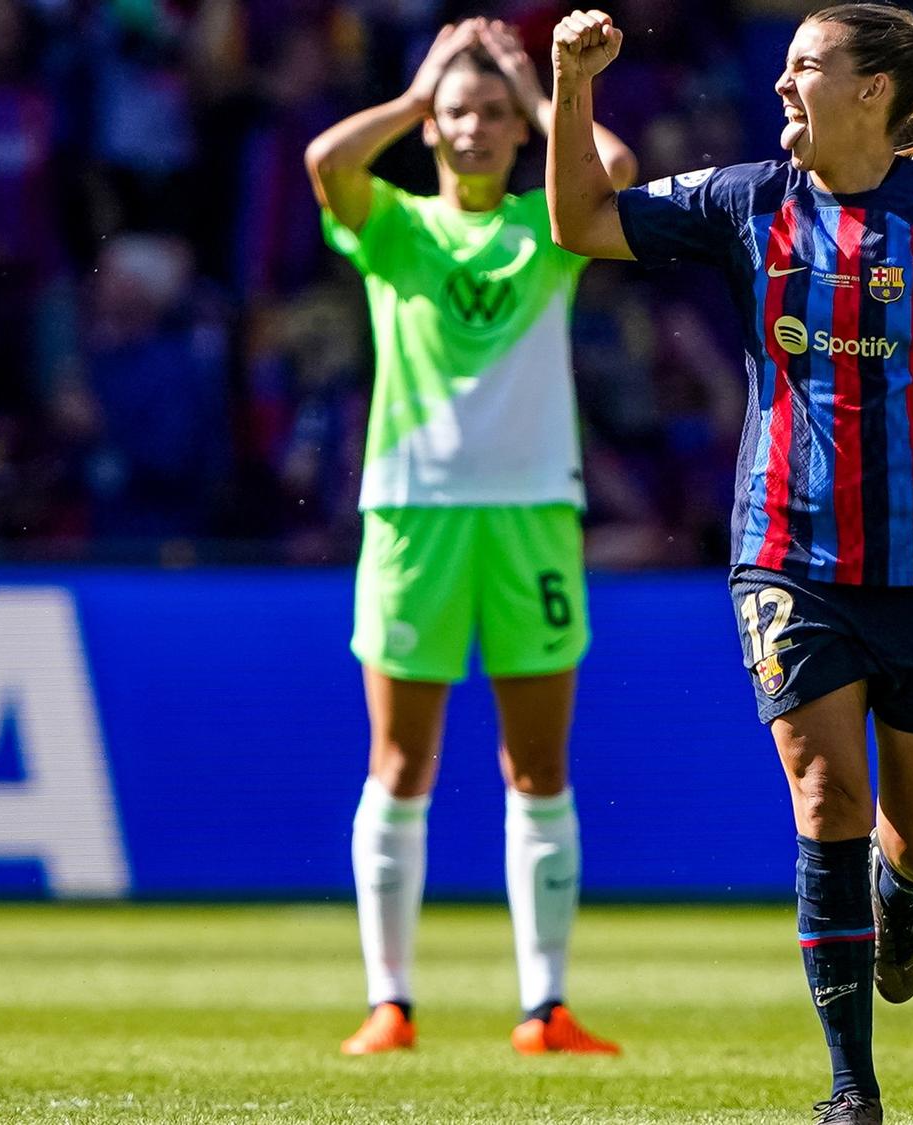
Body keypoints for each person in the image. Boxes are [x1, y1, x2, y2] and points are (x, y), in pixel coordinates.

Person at [546, 7, 913, 1121]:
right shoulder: (743, 200)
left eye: (806, 67)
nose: (780, 87)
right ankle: (850, 1088)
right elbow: (577, 222)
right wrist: (571, 83)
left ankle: (906, 896)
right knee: (823, 797)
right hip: (785, 557)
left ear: (874, 95)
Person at [303, 17, 637, 1058]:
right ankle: (387, 1001)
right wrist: (417, 95)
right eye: (463, 114)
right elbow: (324, 160)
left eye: (494, 114)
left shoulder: (550, 225)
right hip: (413, 516)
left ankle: (544, 1007)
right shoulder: (394, 229)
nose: (480, 128)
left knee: (536, 768)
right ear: (433, 131)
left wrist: (546, 97)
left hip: (532, 513)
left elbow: (616, 168)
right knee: (400, 763)